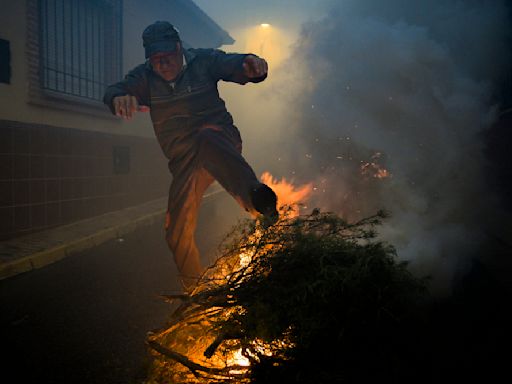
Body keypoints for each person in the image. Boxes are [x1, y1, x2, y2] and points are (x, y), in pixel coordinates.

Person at [103, 21, 278, 290]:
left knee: (206, 137)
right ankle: (196, 289)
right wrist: (118, 98)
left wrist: (251, 65)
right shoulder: (144, 77)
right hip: (186, 163)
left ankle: (258, 201)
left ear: (178, 47)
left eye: (167, 57)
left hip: (220, 142)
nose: (162, 65)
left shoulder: (202, 60)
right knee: (175, 231)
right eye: (155, 59)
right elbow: (117, 88)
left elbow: (232, 63)